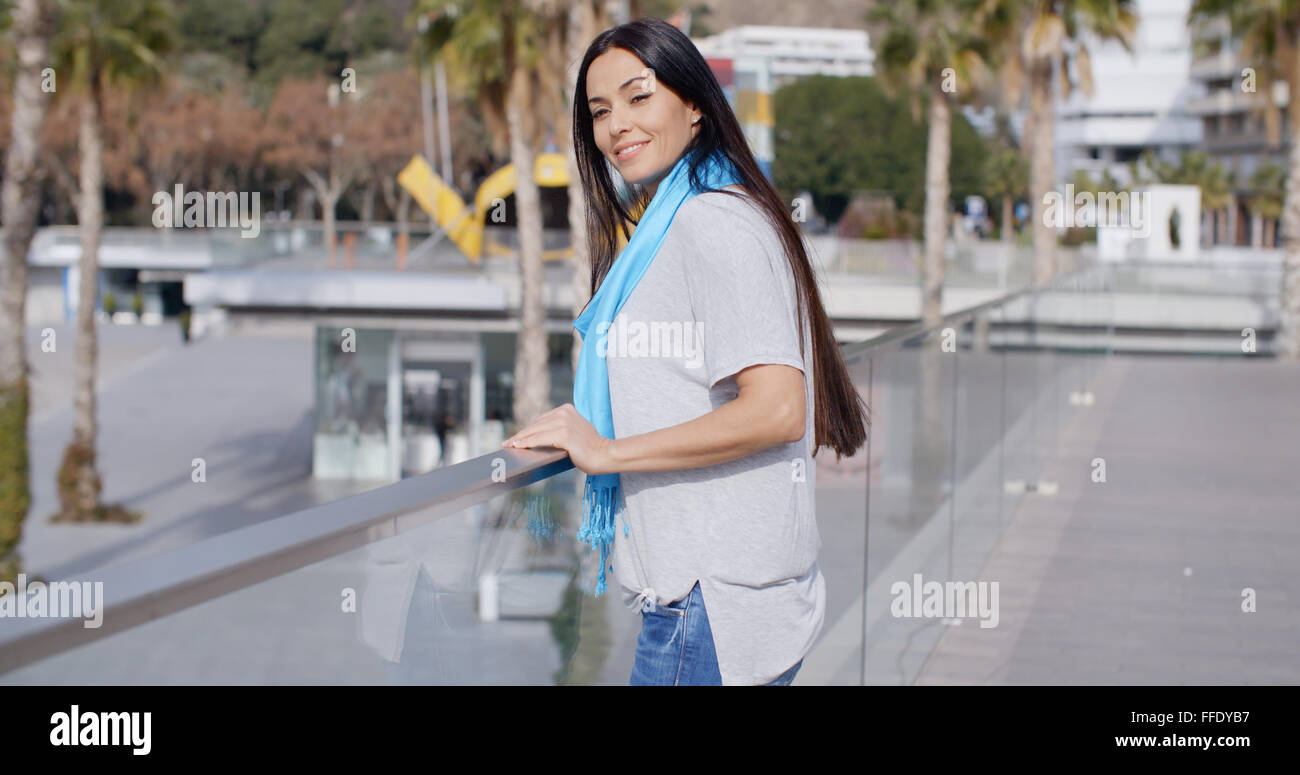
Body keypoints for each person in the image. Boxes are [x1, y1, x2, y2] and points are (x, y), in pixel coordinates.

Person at [501, 18, 868, 686]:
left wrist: (607, 452)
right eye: (600, 111)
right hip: (727, 599)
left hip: (709, 608)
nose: (617, 126)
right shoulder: (700, 215)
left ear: (695, 103)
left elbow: (779, 408)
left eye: (639, 97)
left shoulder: (711, 222)